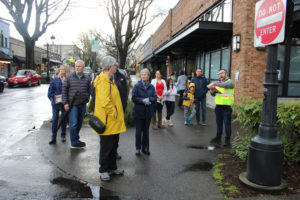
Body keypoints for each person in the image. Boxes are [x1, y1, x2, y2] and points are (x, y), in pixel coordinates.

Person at [93, 56, 126, 182]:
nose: (116, 67)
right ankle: (103, 170)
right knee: (106, 147)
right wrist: (115, 113)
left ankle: (112, 168)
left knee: (113, 147)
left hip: (113, 121)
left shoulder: (109, 79)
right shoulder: (103, 80)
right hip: (107, 121)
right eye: (115, 65)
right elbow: (105, 102)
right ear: (110, 66)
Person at [62, 60, 91, 149]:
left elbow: (89, 89)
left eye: (79, 66)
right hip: (73, 105)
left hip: (82, 104)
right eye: (76, 66)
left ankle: (76, 139)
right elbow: (64, 91)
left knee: (79, 123)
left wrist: (87, 98)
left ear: (83, 67)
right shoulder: (69, 77)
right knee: (73, 123)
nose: (77, 68)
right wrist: (65, 103)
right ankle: (74, 142)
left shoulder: (87, 78)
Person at [132, 68, 157, 156]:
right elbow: (134, 98)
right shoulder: (137, 86)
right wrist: (143, 100)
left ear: (148, 76)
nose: (143, 76)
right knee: (138, 132)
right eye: (142, 74)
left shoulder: (151, 86)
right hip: (138, 112)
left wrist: (149, 99)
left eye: (145, 74)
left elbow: (155, 97)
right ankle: (138, 148)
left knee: (146, 132)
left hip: (148, 112)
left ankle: (145, 147)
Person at [208, 69, 235, 147]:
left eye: (222, 73)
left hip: (227, 107)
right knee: (219, 124)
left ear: (226, 73)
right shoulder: (219, 83)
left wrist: (214, 83)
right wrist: (212, 91)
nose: (220, 75)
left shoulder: (230, 82)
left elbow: (225, 85)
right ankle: (218, 138)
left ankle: (227, 140)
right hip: (218, 107)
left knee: (227, 124)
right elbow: (214, 94)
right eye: (219, 74)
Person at [48, 65, 68, 144]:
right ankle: (53, 137)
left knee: (63, 120)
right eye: (61, 69)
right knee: (55, 120)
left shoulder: (68, 79)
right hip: (56, 104)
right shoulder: (55, 80)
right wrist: (52, 99)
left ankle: (63, 136)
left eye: (64, 69)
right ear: (59, 70)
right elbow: (50, 92)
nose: (63, 70)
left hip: (64, 103)